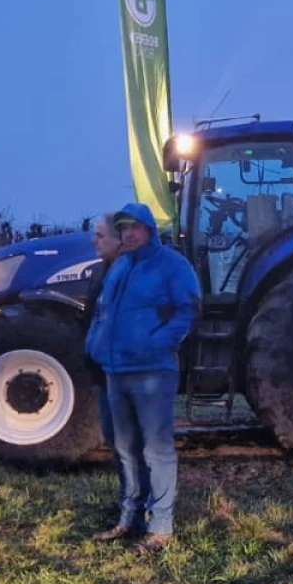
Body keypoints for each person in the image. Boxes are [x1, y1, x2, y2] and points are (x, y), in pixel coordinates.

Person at [86, 203, 199, 551]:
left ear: (149, 228)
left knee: (156, 449)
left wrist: (157, 344)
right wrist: (96, 345)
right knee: (124, 449)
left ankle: (161, 526)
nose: (129, 234)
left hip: (152, 372)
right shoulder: (120, 267)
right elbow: (104, 313)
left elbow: (188, 309)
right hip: (116, 371)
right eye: (123, 228)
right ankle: (129, 518)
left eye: (136, 227)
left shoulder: (171, 265)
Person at [80, 213, 125, 510]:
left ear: (118, 240)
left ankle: (143, 506)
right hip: (102, 369)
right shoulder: (99, 272)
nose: (93, 240)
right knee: (113, 438)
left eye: (99, 235)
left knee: (130, 441)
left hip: (123, 370)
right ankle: (128, 502)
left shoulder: (133, 272)